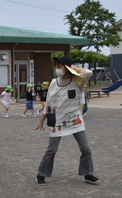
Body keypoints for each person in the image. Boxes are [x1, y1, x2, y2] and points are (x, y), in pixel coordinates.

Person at [34, 56, 98, 186]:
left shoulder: (78, 81)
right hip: (57, 121)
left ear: (67, 68)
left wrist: (74, 68)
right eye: (56, 66)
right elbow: (50, 102)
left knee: (86, 148)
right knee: (51, 150)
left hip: (75, 120)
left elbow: (88, 72)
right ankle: (41, 174)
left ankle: (87, 173)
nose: (58, 69)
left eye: (61, 66)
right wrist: (42, 119)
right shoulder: (53, 83)